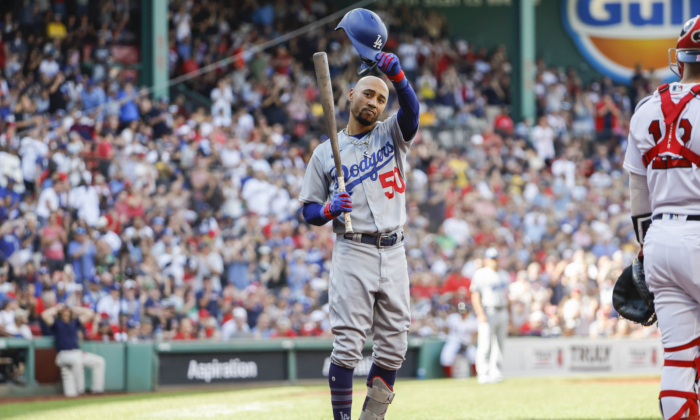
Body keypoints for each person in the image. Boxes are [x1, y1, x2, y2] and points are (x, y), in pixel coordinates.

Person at [299, 10, 419, 419]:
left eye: (381, 98)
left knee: (394, 347)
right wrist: (329, 208)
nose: (374, 102)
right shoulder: (323, 152)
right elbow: (308, 211)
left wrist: (399, 80)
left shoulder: (391, 134)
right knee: (348, 345)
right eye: (368, 94)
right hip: (354, 250)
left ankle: (373, 417)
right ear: (350, 95)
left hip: (395, 250)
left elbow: (412, 116)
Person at [622, 15, 700, 420]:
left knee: (679, 357)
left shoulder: (645, 107)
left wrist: (645, 246)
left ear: (681, 57)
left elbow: (639, 192)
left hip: (660, 238)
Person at [41, 303, 105, 397]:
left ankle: (97, 390)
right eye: (64, 311)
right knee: (77, 362)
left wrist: (74, 308)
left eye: (67, 311)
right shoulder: (56, 323)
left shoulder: (74, 322)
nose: (66, 312)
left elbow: (90, 313)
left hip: (76, 352)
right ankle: (80, 391)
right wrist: (57, 308)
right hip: (63, 354)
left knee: (99, 362)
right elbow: (44, 315)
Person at [471, 247, 509, 384]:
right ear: (486, 260)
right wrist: (480, 313)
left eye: (497, 258)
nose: (495, 261)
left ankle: (496, 372)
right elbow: (475, 295)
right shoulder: (480, 274)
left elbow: (507, 295)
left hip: (502, 310)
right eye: (492, 259)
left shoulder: (504, 274)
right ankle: (483, 373)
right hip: (488, 310)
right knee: (485, 344)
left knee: (499, 344)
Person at [440, 302, 478, 378]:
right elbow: (445, 329)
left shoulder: (473, 320)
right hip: (453, 342)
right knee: (445, 357)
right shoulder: (452, 318)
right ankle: (448, 377)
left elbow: (475, 334)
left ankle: (475, 376)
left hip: (466, 343)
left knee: (475, 357)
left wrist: (469, 344)